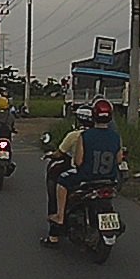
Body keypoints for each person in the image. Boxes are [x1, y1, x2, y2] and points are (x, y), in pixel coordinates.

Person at [45, 99, 121, 246]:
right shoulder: (115, 136)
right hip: (109, 179)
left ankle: (60, 216)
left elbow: (78, 161)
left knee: (62, 180)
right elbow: (118, 159)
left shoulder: (84, 136)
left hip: (87, 177)